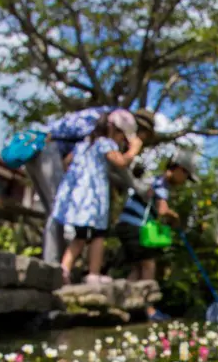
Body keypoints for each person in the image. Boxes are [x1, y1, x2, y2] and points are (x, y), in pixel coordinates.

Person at [37, 108, 156, 266]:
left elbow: (102, 169)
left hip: (55, 154)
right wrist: (134, 151)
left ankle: (59, 266)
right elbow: (120, 167)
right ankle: (52, 266)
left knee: (66, 219)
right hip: (49, 148)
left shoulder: (103, 128)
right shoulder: (107, 133)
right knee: (57, 211)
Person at [53, 109, 143, 285]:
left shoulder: (84, 143)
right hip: (91, 200)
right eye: (121, 137)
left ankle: (64, 270)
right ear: (114, 130)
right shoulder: (104, 144)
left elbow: (66, 163)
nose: (120, 142)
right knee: (98, 235)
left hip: (79, 199)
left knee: (80, 237)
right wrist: (134, 150)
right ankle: (93, 274)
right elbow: (121, 162)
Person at [113, 149, 198, 321]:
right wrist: (175, 217)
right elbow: (162, 209)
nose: (184, 182)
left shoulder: (155, 181)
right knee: (149, 264)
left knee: (138, 267)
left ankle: (123, 303)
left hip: (126, 224)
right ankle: (148, 308)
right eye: (186, 176)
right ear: (179, 169)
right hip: (135, 225)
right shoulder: (160, 183)